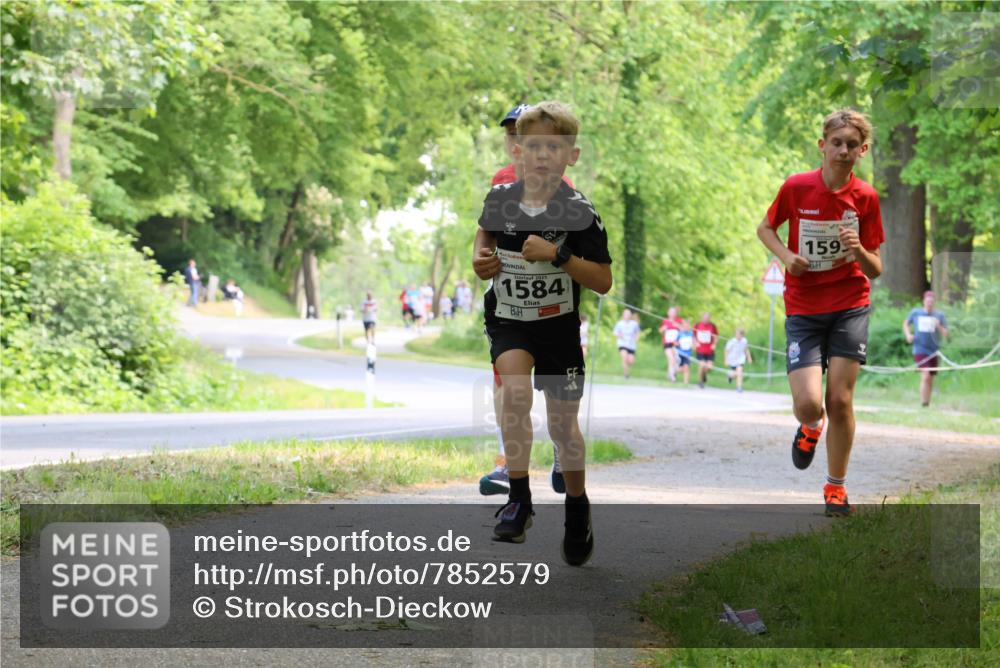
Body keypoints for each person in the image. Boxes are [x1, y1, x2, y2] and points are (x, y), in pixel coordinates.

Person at [473, 101, 612, 566]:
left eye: (555, 147)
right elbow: (483, 241)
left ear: (571, 155)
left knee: (562, 426)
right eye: (533, 146)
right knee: (513, 394)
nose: (542, 155)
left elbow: (603, 280)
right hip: (510, 319)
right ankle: (519, 500)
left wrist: (558, 257)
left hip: (558, 329)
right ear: (518, 150)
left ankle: (577, 508)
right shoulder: (500, 199)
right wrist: (482, 261)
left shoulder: (580, 212)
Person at [756, 108, 884, 517]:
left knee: (840, 399)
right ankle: (811, 428)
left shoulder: (865, 198)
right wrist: (786, 256)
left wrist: (858, 249)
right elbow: (765, 228)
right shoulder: (797, 188)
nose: (843, 151)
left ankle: (835, 488)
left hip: (849, 304)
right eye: (836, 143)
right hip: (805, 306)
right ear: (822, 145)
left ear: (862, 150)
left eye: (852, 145)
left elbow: (876, 268)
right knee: (811, 403)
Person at [478, 103, 576, 499]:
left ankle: (558, 447)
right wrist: (483, 257)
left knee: (555, 394)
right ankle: (508, 467)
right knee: (508, 389)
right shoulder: (501, 180)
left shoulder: (564, 188)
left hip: (553, 305)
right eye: (511, 135)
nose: (515, 143)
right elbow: (487, 232)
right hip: (507, 302)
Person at [903, 290, 949, 407]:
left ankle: (927, 403)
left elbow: (945, 333)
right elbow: (906, 323)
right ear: (924, 301)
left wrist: (938, 325)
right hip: (919, 349)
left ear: (934, 303)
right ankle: (923, 403)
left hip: (934, 351)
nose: (929, 304)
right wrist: (908, 335)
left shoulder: (939, 315)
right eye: (928, 302)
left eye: (932, 302)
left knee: (930, 377)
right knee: (926, 375)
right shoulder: (916, 313)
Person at [693, 312, 718, 389]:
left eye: (707, 318)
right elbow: (693, 335)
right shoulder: (697, 325)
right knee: (701, 365)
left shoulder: (712, 326)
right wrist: (695, 343)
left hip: (709, 351)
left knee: (709, 368)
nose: (706, 320)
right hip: (700, 350)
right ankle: (700, 382)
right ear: (702, 318)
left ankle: (704, 375)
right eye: (704, 318)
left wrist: (714, 344)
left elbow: (716, 336)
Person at [613, 309, 640, 379]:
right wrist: (619, 335)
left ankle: (626, 368)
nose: (627, 316)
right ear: (623, 315)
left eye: (628, 314)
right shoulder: (619, 323)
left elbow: (638, 332)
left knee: (630, 361)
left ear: (630, 316)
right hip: (622, 343)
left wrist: (637, 338)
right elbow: (615, 332)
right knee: (624, 358)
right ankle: (626, 374)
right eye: (625, 314)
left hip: (631, 345)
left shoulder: (634, 324)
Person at [659, 307, 683, 381]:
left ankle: (671, 373)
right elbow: (661, 331)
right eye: (671, 312)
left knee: (676, 360)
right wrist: (663, 329)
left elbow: (684, 330)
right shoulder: (665, 321)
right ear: (668, 313)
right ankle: (672, 377)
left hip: (676, 344)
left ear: (676, 313)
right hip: (667, 343)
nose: (672, 314)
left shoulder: (679, 320)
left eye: (673, 312)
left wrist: (677, 325)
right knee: (671, 359)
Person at [725, 328, 753, 393]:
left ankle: (739, 387)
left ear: (742, 335)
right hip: (732, 360)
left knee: (739, 371)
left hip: (740, 359)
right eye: (736, 334)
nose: (738, 335)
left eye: (739, 334)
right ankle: (730, 375)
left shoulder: (744, 341)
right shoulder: (732, 341)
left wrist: (749, 357)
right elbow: (727, 350)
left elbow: (746, 349)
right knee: (736, 374)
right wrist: (726, 359)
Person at [676, 321, 694, 385]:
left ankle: (686, 382)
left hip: (688, 354)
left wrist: (693, 345)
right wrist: (678, 344)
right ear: (683, 326)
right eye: (685, 326)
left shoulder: (691, 334)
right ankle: (674, 371)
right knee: (680, 369)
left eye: (687, 326)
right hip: (680, 353)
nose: (686, 327)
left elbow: (693, 342)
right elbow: (674, 342)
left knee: (686, 367)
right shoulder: (680, 334)